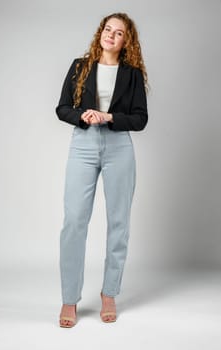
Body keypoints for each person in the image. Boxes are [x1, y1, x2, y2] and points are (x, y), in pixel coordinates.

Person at [55, 12, 149, 328]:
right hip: (83, 146)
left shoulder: (132, 74)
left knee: (119, 221)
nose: (110, 34)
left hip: (119, 148)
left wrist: (109, 118)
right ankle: (70, 299)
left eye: (118, 32)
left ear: (126, 41)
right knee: (74, 222)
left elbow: (139, 119)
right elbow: (62, 108)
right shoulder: (80, 67)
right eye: (107, 29)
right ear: (101, 33)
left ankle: (109, 293)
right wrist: (84, 116)